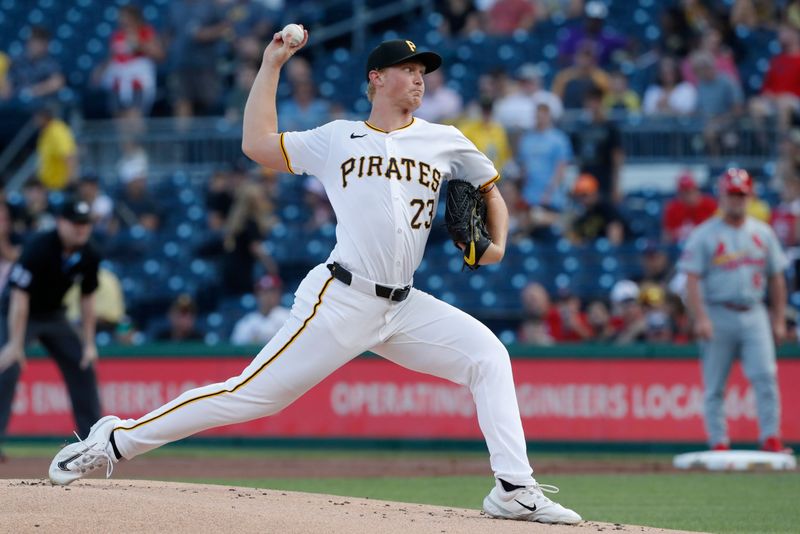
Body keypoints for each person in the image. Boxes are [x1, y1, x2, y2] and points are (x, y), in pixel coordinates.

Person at [49, 33, 582, 525]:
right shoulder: (337, 138)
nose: (420, 78)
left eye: (424, 71)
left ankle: (513, 488)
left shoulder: (445, 140)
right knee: (249, 395)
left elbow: (489, 187)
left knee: (488, 356)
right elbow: (257, 143)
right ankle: (115, 440)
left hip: (403, 306)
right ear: (376, 77)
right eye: (408, 69)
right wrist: (271, 64)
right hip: (341, 298)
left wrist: (499, 244)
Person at [678, 168, 792, 453]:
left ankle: (771, 437)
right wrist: (701, 318)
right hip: (718, 312)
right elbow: (691, 279)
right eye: (732, 194)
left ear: (750, 196)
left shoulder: (762, 233)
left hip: (755, 312)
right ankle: (718, 442)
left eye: (741, 194)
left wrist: (778, 319)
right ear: (721, 196)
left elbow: (777, 278)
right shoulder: (705, 233)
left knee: (765, 376)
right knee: (715, 383)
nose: (736, 200)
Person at [0, 199, 101, 456]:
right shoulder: (39, 247)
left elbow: (88, 299)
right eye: (76, 223)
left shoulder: (89, 254)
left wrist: (89, 343)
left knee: (83, 362)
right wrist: (14, 343)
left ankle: (93, 443)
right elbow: (19, 298)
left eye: (85, 224)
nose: (81, 229)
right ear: (61, 223)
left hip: (54, 316)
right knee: (7, 366)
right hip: (16, 313)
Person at [230, 274, 290, 346]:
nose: (267, 296)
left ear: (279, 294)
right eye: (263, 292)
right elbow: (236, 347)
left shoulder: (289, 317)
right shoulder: (248, 321)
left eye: (272, 291)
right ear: (257, 294)